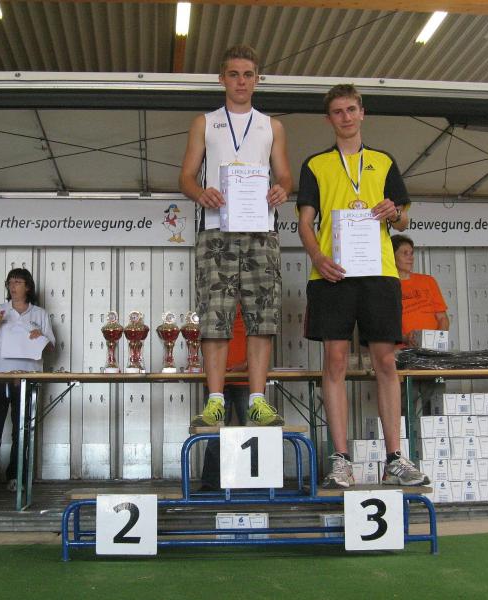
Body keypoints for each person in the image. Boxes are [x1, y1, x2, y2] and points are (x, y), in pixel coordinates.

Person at [296, 83, 429, 488]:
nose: (346, 117)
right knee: (335, 361)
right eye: (338, 111)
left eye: (351, 109)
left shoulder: (384, 161)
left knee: (386, 362)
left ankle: (395, 459)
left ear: (362, 113)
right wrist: (317, 257)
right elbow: (305, 222)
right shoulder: (315, 164)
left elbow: (404, 218)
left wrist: (393, 213)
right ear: (329, 119)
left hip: (379, 272)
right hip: (332, 273)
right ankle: (341, 460)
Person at [179, 44, 293, 427]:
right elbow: (186, 177)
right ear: (222, 79)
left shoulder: (272, 126)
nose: (241, 81)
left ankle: (258, 401)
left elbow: (285, 176)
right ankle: (214, 402)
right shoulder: (205, 123)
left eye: (247, 75)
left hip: (261, 230)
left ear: (257, 79)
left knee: (263, 316)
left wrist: (281, 190)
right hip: (216, 229)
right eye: (233, 74)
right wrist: (200, 194)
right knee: (215, 315)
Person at [0, 268, 55, 493]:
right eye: (10, 282)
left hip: (26, 379)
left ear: (28, 287)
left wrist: (40, 337)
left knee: (22, 431)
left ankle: (16, 476)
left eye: (18, 282)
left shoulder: (39, 314)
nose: (13, 286)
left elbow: (51, 348)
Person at [392, 234, 449, 415]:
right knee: (402, 408)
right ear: (392, 256)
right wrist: (405, 338)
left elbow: (443, 318)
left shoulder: (428, 281)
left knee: (435, 408)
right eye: (405, 253)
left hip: (431, 355)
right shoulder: (388, 285)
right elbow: (382, 325)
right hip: (402, 355)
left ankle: (433, 433)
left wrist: (437, 340)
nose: (410, 257)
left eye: (412, 253)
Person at [200, 305, 249, 491]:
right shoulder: (213, 303)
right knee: (215, 430)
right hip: (216, 378)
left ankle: (255, 480)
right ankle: (211, 482)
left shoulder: (251, 303)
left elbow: (260, 339)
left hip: (245, 376)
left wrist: (247, 364)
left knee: (252, 429)